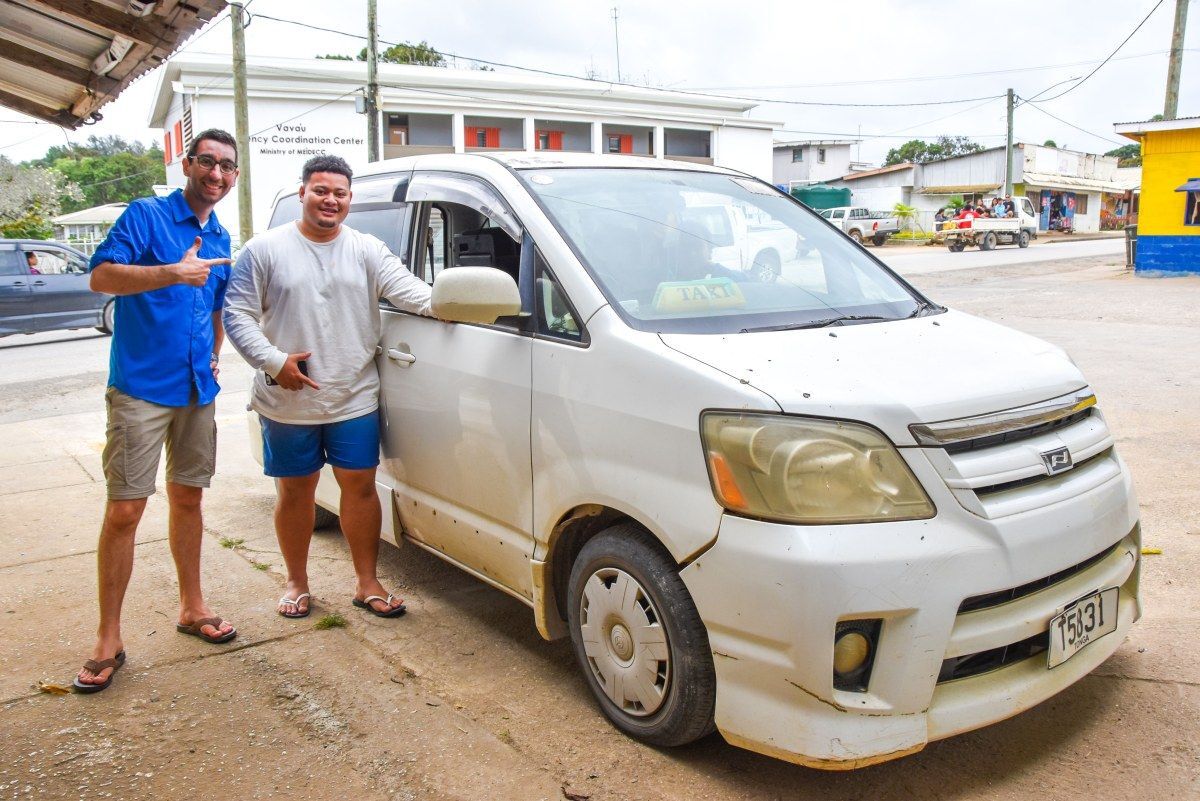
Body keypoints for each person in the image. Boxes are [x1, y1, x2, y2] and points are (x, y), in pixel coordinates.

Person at [223, 155, 434, 620]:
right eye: (320, 190)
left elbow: (412, 293)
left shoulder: (366, 249)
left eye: (339, 193)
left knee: (359, 489)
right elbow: (235, 314)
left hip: (353, 395)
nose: (330, 200)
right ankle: (296, 583)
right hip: (287, 400)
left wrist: (459, 302)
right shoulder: (264, 250)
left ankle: (366, 583)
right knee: (295, 494)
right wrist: (274, 362)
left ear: (350, 200)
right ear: (302, 193)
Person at [74, 129, 239, 693]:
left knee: (189, 498)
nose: (217, 174)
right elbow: (100, 277)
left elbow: (215, 306)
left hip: (197, 391)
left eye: (227, 167)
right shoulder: (146, 216)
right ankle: (108, 637)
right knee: (124, 511)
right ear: (189, 164)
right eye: (208, 163)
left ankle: (192, 607)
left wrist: (214, 356)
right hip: (141, 390)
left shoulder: (219, 233)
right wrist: (171, 270)